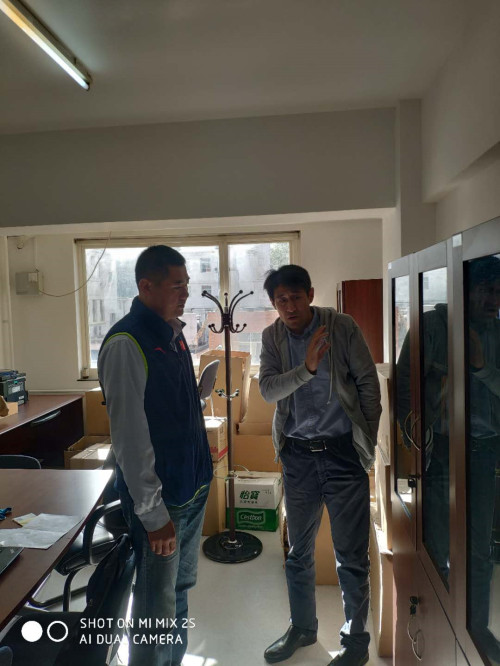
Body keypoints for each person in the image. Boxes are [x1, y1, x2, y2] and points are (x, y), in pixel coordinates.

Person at [259, 265, 381, 666]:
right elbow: (268, 390)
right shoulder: (272, 337)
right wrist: (306, 369)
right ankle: (302, 627)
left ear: (310, 294)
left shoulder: (341, 327)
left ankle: (356, 643)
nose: (289, 307)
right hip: (297, 457)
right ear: (274, 303)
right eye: (281, 300)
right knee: (298, 551)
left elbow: (368, 384)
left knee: (351, 556)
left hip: (342, 453)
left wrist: (365, 442)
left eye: (295, 297)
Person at [98, 245, 213, 666]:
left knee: (178, 595)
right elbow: (130, 438)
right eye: (177, 285)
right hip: (163, 504)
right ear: (146, 286)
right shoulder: (127, 343)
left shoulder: (173, 332)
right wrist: (152, 514)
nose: (186, 293)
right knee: (154, 609)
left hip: (191, 489)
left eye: (187, 284)